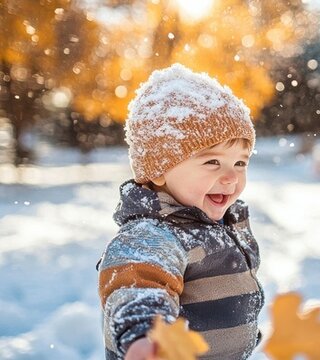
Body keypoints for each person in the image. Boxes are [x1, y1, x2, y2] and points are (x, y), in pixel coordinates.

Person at [97, 63, 263, 359]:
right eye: (212, 162)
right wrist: (146, 339)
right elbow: (137, 288)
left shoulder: (220, 224)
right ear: (159, 170)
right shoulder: (152, 235)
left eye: (240, 163)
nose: (231, 177)